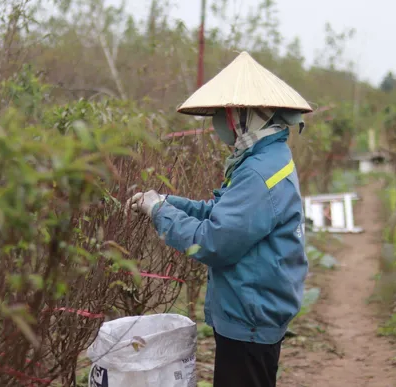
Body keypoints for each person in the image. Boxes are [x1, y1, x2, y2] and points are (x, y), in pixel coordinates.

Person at [127, 51, 312, 387]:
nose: (219, 123)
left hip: (250, 315)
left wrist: (159, 212)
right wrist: (170, 202)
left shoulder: (258, 172)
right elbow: (223, 214)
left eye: (224, 113)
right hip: (255, 307)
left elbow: (213, 243)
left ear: (245, 115)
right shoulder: (267, 157)